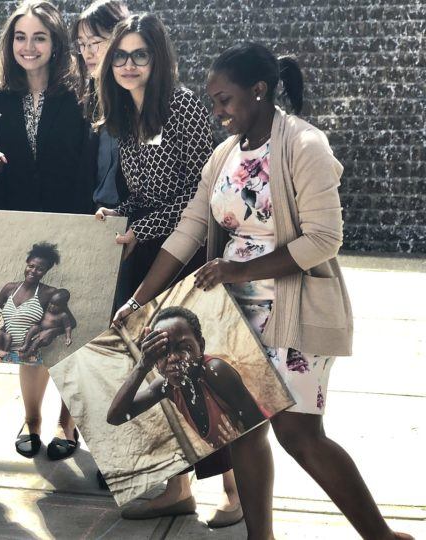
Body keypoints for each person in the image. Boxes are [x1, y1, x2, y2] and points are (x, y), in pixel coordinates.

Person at [113, 41, 413, 540]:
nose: (217, 111)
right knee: (244, 429)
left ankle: (381, 536)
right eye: (212, 101)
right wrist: (139, 299)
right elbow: (189, 227)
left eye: (223, 100)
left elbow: (324, 238)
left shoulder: (303, 145)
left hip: (292, 309)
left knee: (299, 435)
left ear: (258, 91)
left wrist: (237, 272)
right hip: (234, 313)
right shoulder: (225, 154)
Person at [91, 13, 241, 523]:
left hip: (185, 257)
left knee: (202, 369)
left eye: (140, 55)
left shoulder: (182, 110)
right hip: (148, 254)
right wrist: (118, 215)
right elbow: (144, 195)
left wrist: (142, 224)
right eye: (121, 55)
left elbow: (199, 197)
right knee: (162, 373)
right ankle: (176, 487)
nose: (129, 65)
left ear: (158, 61)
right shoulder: (124, 115)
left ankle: (235, 491)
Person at [0, 0, 88, 463]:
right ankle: (32, 422)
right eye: (20, 37)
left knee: (71, 334)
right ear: (10, 44)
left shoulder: (82, 95)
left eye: (39, 37)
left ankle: (68, 425)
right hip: (18, 224)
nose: (29, 46)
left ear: (55, 43)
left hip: (76, 222)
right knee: (27, 331)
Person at [107, 306, 266, 448]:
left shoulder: (215, 372)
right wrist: (142, 365)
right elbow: (116, 417)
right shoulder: (166, 387)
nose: (172, 358)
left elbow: (259, 425)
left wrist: (240, 444)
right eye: (163, 352)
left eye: (183, 348)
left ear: (201, 346)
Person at [72, 0, 129, 210]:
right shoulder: (90, 97)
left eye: (94, 42)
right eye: (82, 44)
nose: (87, 52)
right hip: (95, 217)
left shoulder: (142, 96)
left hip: (136, 221)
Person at [19, 288, 74, 359]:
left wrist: (68, 337)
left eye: (56, 305)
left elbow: (68, 327)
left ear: (63, 306)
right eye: (51, 303)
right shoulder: (46, 310)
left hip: (46, 337)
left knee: (37, 341)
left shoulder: (63, 315)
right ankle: (25, 345)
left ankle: (27, 354)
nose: (52, 306)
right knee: (34, 327)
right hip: (39, 330)